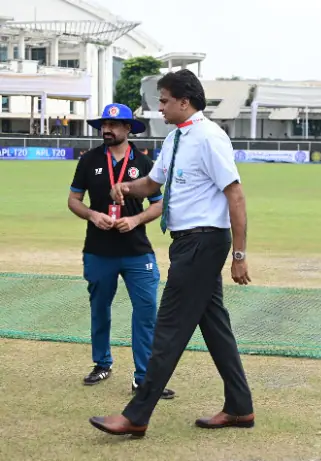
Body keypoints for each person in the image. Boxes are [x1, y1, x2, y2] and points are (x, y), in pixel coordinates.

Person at [88, 69, 254, 437]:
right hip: (186, 243)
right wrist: (126, 188)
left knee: (168, 328)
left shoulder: (210, 137)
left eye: (163, 100)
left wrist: (239, 256)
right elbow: (152, 183)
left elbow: (236, 195)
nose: (158, 107)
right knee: (215, 328)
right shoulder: (176, 139)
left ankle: (137, 415)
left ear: (184, 100)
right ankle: (240, 408)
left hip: (203, 241)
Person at [68, 103, 175, 400]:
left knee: (146, 312)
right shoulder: (89, 160)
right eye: (104, 124)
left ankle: (144, 377)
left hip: (136, 251)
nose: (107, 129)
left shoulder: (143, 162)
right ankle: (102, 363)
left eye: (114, 125)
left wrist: (135, 219)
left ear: (128, 128)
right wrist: (91, 215)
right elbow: (74, 200)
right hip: (98, 250)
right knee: (100, 308)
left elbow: (158, 203)